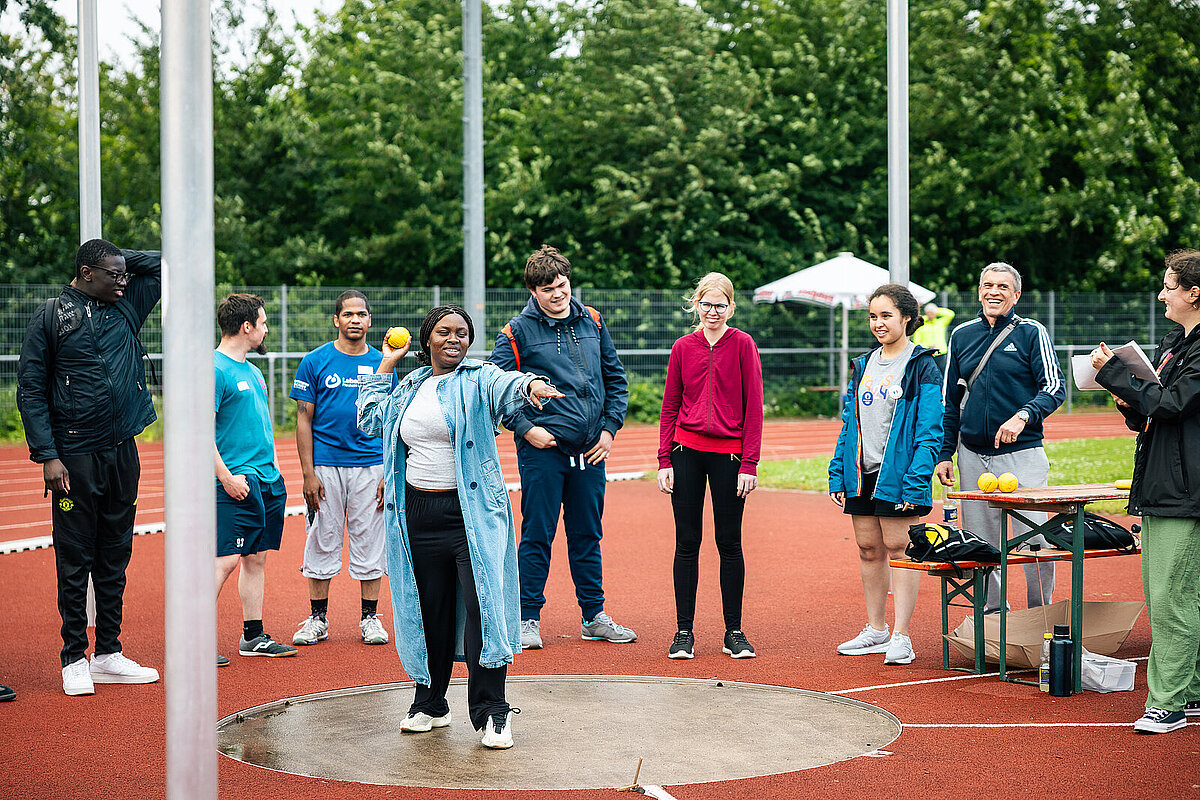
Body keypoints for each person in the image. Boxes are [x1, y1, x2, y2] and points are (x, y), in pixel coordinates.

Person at [358, 305, 562, 749]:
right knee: (428, 609)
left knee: (482, 608)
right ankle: (430, 703)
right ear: (427, 339)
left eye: (463, 333)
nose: (455, 339)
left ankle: (493, 711)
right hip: (417, 513)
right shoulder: (410, 386)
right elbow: (370, 420)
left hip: (472, 514)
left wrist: (530, 386)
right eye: (445, 332)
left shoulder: (478, 378)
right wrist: (386, 364)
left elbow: (507, 385)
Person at [17, 238, 161, 696]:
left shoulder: (126, 306)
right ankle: (74, 657)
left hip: (122, 451)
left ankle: (109, 653)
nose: (123, 281)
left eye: (124, 274)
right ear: (85, 273)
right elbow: (31, 390)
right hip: (74, 456)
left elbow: (163, 264)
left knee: (115, 554)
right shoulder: (50, 317)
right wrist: (47, 455)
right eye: (113, 275)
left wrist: (117, 260)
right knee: (76, 557)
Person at [488, 245, 634, 650]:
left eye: (562, 285)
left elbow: (616, 380)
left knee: (587, 534)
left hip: (591, 450)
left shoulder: (593, 320)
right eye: (548, 289)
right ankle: (527, 618)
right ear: (533, 291)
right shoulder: (515, 333)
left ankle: (593, 616)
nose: (558, 294)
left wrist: (609, 430)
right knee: (538, 534)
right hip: (543, 452)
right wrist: (525, 429)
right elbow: (496, 390)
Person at [1093, 249, 1200, 734]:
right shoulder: (1176, 343)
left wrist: (1117, 374)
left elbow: (1173, 404)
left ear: (1194, 293)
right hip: (1163, 484)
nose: (1161, 295)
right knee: (1176, 596)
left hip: (1185, 490)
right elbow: (1153, 411)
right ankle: (1191, 691)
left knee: (1170, 598)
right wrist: (1125, 396)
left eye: (1169, 286)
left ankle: (1167, 702)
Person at [935, 262, 1065, 612]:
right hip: (972, 455)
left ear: (1016, 295)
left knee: (1035, 541)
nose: (994, 292)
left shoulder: (1032, 333)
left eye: (1003, 287)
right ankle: (992, 614)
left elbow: (1054, 387)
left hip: (1023, 453)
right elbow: (950, 402)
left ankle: (1041, 615)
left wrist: (1023, 416)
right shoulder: (961, 335)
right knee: (980, 544)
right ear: (979, 291)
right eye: (988, 285)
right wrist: (945, 453)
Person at [828, 284, 944, 665]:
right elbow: (849, 424)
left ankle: (902, 636)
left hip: (900, 475)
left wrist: (917, 479)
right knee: (868, 549)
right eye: (873, 316)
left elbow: (930, 430)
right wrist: (838, 472)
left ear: (907, 318)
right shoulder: (862, 365)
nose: (878, 323)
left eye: (886, 316)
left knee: (901, 549)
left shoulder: (922, 365)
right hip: (862, 474)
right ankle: (876, 630)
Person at [656, 272, 764, 660]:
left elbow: (754, 407)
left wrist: (749, 463)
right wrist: (664, 458)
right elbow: (670, 405)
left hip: (731, 458)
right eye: (706, 304)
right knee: (687, 542)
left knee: (729, 543)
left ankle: (734, 632)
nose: (713, 311)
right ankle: (683, 632)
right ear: (696, 305)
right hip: (686, 452)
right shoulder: (683, 347)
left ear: (731, 307)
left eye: (720, 305)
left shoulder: (743, 345)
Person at [289, 290, 392, 647]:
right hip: (325, 467)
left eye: (361, 314)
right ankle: (318, 618)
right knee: (321, 539)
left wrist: (388, 472)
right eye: (348, 314)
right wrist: (308, 474)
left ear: (369, 320)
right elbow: (303, 420)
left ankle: (370, 618)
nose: (355, 320)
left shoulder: (383, 363)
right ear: (336, 320)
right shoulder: (315, 361)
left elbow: (391, 422)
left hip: (371, 466)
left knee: (371, 542)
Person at [214, 293, 296, 661]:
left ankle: (253, 636)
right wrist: (226, 478)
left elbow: (260, 427)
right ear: (246, 327)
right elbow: (200, 431)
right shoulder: (214, 369)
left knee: (256, 558)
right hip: (235, 481)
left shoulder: (254, 371)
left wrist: (274, 470)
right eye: (263, 323)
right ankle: (193, 641)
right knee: (226, 559)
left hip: (266, 479)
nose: (266, 330)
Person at [912, 302, 955, 374]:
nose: (930, 315)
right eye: (928, 313)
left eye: (932, 313)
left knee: (943, 373)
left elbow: (950, 314)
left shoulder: (940, 322)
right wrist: (926, 348)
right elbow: (917, 341)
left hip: (940, 353)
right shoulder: (921, 324)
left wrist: (936, 310)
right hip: (927, 353)